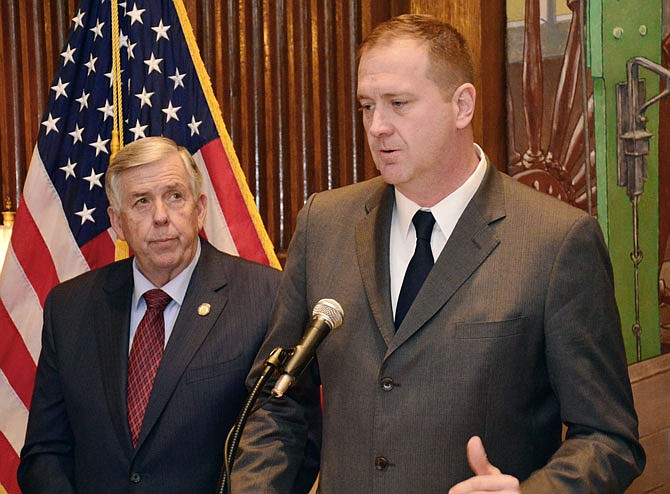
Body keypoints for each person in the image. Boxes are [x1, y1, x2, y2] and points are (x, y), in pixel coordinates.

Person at [230, 14, 645, 493]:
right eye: (367, 106)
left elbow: (610, 439)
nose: (377, 127)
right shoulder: (325, 224)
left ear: (461, 105)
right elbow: (278, 403)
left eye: (398, 104)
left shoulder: (556, 242)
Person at [18, 136, 281, 493]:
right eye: (141, 202)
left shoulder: (264, 298)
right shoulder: (70, 308)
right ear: (118, 223)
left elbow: (284, 441)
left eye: (175, 196)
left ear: (199, 208)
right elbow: (45, 450)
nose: (161, 217)